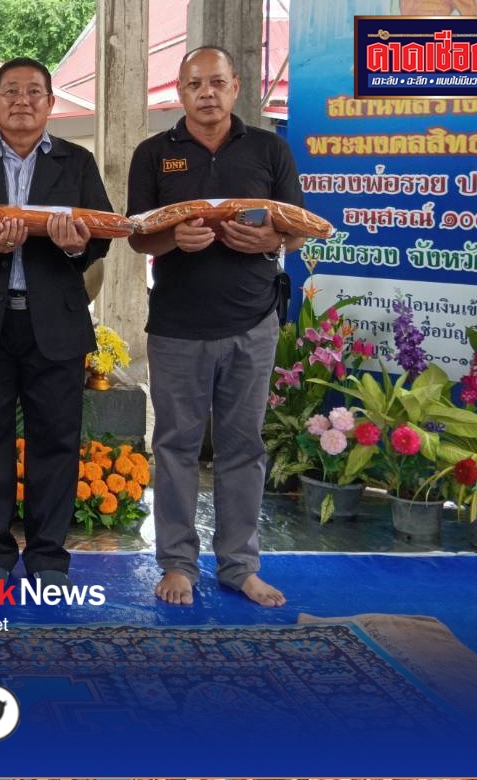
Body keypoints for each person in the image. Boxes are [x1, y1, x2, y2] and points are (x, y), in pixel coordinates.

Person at [127, 46, 304, 609]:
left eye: (217, 83)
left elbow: (297, 228)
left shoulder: (269, 148)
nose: (207, 93)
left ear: (235, 88)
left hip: (253, 322)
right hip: (177, 326)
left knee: (242, 447)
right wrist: (172, 239)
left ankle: (239, 565)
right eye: (195, 84)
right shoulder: (155, 154)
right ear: (179, 92)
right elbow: (137, 235)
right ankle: (178, 562)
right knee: (175, 446)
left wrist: (272, 240)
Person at [0, 57, 112, 589]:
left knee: (55, 441)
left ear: (50, 103)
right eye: (9, 91)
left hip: (54, 323)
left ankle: (47, 556)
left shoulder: (77, 163)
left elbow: (101, 232)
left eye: (34, 91)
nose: (21, 101)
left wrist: (79, 243)